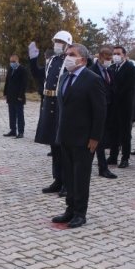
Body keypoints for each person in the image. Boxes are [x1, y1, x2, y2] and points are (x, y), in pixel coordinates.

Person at [51, 43, 106, 228]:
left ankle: (80, 213)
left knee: (80, 177)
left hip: (84, 139)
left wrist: (95, 137)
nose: (67, 57)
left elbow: (100, 111)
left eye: (71, 54)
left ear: (82, 59)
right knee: (68, 176)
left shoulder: (93, 79)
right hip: (65, 136)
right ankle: (70, 209)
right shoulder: (65, 77)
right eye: (67, 54)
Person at [30, 30, 72, 194]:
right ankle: (57, 179)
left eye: (60, 42)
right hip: (49, 103)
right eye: (56, 41)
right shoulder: (53, 60)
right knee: (54, 146)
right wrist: (33, 60)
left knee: (63, 147)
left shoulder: (69, 61)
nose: (57, 45)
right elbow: (39, 75)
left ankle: (67, 184)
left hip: (61, 104)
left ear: (67, 44)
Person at [106, 46, 135, 168]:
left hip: (125, 105)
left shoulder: (131, 68)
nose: (115, 56)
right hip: (113, 106)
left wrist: (115, 93)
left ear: (124, 55)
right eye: (114, 53)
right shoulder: (112, 68)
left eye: (118, 53)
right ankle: (113, 156)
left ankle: (125, 157)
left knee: (125, 133)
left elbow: (128, 87)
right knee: (113, 132)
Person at [91, 46, 117, 178]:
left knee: (103, 139)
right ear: (100, 57)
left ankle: (103, 166)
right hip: (96, 110)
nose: (109, 61)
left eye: (110, 59)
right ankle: (102, 167)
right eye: (107, 59)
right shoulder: (92, 71)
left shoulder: (110, 71)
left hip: (108, 109)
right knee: (98, 139)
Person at [2, 54, 28, 138]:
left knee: (19, 115)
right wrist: (5, 93)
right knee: (11, 114)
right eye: (11, 61)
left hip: (18, 96)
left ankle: (21, 132)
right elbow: (7, 82)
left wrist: (21, 95)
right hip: (10, 96)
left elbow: (24, 84)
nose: (12, 63)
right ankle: (13, 130)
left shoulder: (22, 70)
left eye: (13, 61)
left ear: (17, 61)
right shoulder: (10, 69)